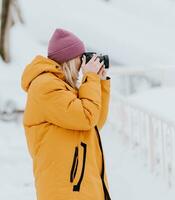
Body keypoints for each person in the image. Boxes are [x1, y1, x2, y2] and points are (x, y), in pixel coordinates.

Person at [21, 28, 111, 200]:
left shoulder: (64, 88)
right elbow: (87, 117)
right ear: (70, 60)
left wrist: (100, 83)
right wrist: (89, 77)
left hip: (80, 187)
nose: (82, 65)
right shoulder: (45, 87)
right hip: (65, 190)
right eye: (81, 59)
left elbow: (96, 122)